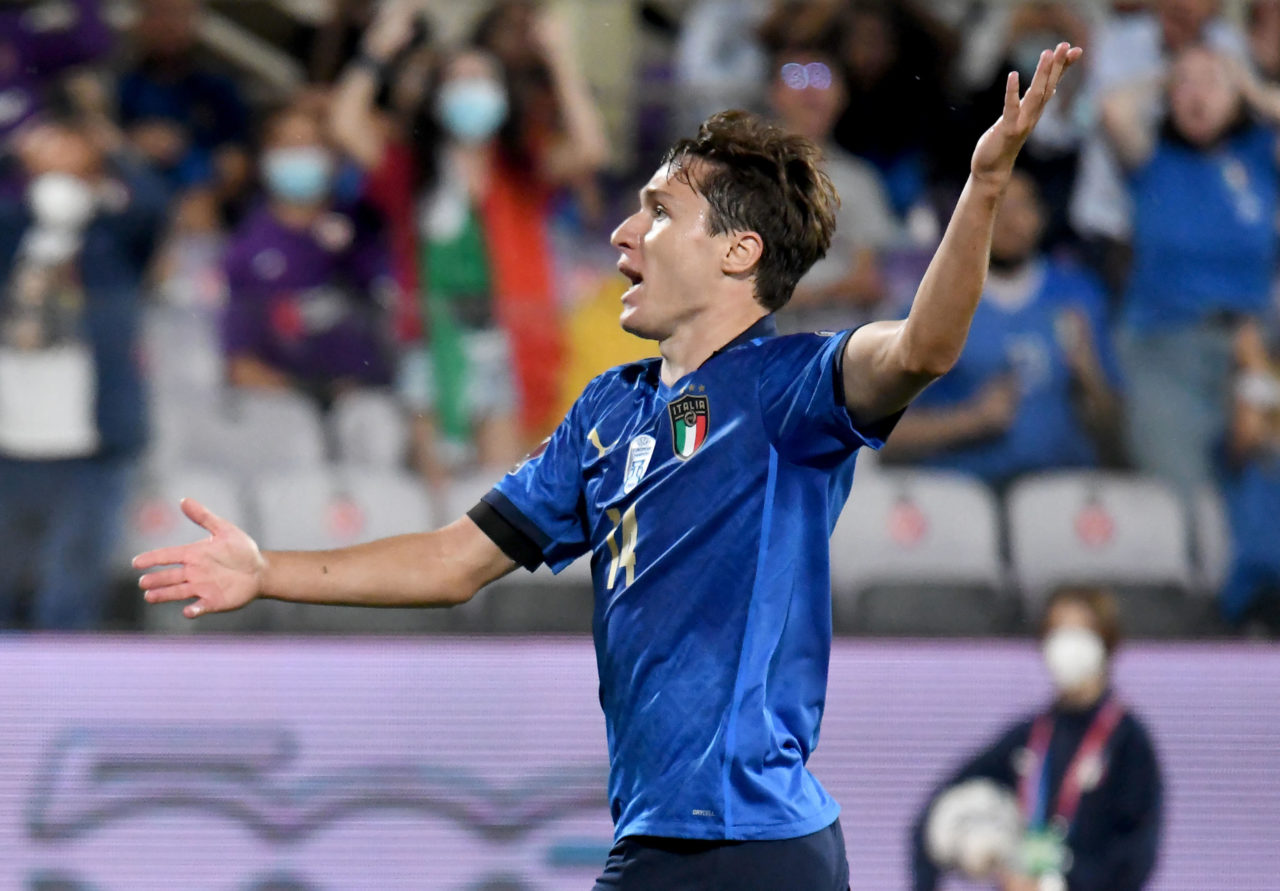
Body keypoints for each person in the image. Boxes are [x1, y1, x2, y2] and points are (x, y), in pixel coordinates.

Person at [136, 44, 1083, 889]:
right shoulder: (607, 411)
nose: (624, 236)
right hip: (666, 839)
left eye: (659, 213)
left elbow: (920, 350)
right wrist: (268, 573)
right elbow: (453, 561)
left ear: (737, 252)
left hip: (748, 845)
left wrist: (984, 187)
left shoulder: (794, 387)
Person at [331, 0, 608, 475]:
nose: (470, 91)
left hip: (509, 347)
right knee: (434, 501)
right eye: (458, 80)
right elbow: (343, 124)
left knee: (496, 503)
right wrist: (378, 47)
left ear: (503, 96)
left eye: (482, 79)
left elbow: (591, 147)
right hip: (430, 349)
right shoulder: (413, 171)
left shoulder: (522, 171)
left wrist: (560, 58)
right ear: (438, 97)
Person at [0, 115, 167, 629]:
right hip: (10, 440)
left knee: (70, 592)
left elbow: (155, 206)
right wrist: (13, 152)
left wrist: (110, 148)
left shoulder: (111, 241)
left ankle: (58, 696)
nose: (60, 168)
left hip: (92, 443)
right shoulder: (11, 234)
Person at [1101, 46, 1280, 500]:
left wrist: (1250, 87)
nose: (1196, 96)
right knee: (1179, 494)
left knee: (1255, 493)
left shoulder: (1260, 157)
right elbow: (1112, 109)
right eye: (1185, 87)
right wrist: (1171, 74)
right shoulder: (1152, 160)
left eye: (1211, 85)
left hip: (1250, 350)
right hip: (1163, 350)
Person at [910, 586, 1164, 891]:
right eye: (1057, 631)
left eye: (1080, 631)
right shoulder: (1029, 737)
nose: (1067, 644)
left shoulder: (1128, 743)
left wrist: (1053, 884)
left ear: (1106, 643)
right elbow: (936, 812)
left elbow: (1135, 856)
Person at [882, 169, 1121, 489]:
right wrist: (970, 421)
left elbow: (1118, 430)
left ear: (1041, 217)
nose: (1010, 221)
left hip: (1060, 494)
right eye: (995, 206)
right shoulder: (933, 304)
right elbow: (885, 436)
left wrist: (1089, 376)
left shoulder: (1078, 296)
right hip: (964, 495)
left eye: (1023, 207)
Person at [221, 103, 394, 408]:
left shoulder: (364, 225)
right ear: (265, 156)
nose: (299, 154)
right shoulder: (246, 247)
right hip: (285, 406)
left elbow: (393, 307)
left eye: (310, 143)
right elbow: (239, 363)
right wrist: (311, 394)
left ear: (333, 156)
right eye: (288, 144)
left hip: (369, 398)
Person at [767, 44, 899, 333]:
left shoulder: (861, 181)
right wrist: (833, 290)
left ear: (842, 96)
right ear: (774, 93)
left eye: (822, 78)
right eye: (795, 78)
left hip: (839, 345)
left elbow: (869, 280)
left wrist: (799, 295)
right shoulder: (745, 178)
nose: (810, 89)